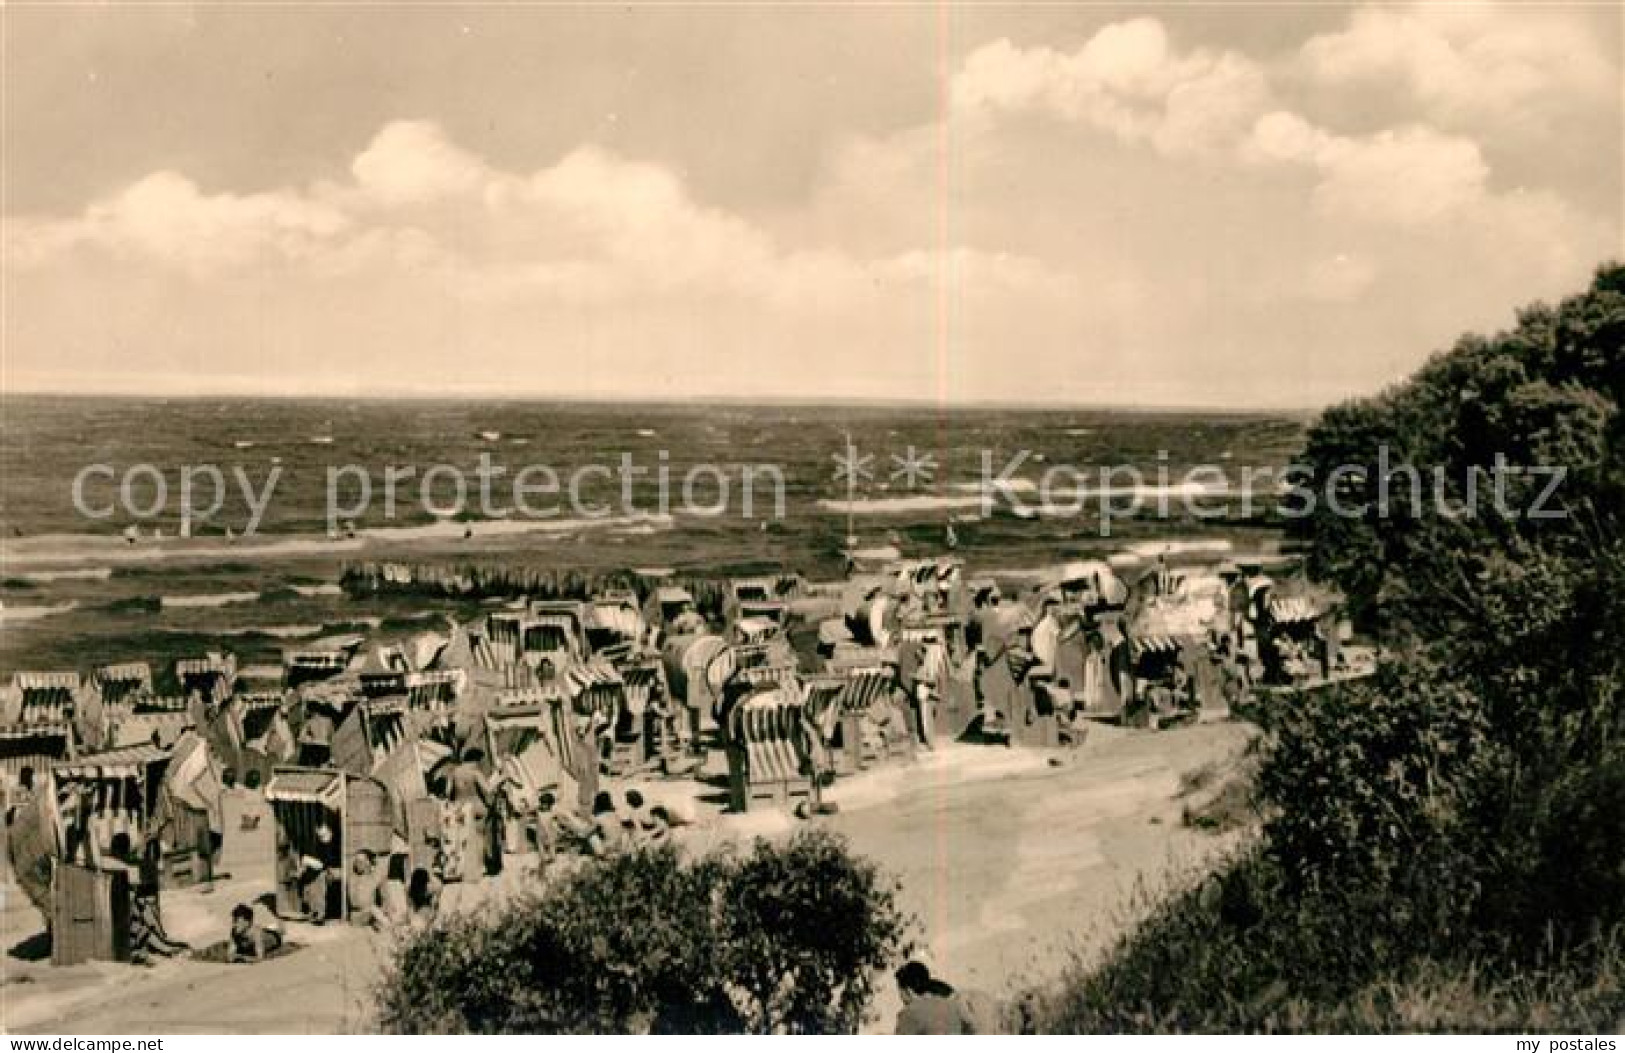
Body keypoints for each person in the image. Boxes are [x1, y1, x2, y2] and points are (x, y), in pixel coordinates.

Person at [894, 960, 978, 1034]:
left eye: (901, 991)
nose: (900, 996)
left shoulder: (911, 1014)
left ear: (908, 990)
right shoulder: (954, 1002)